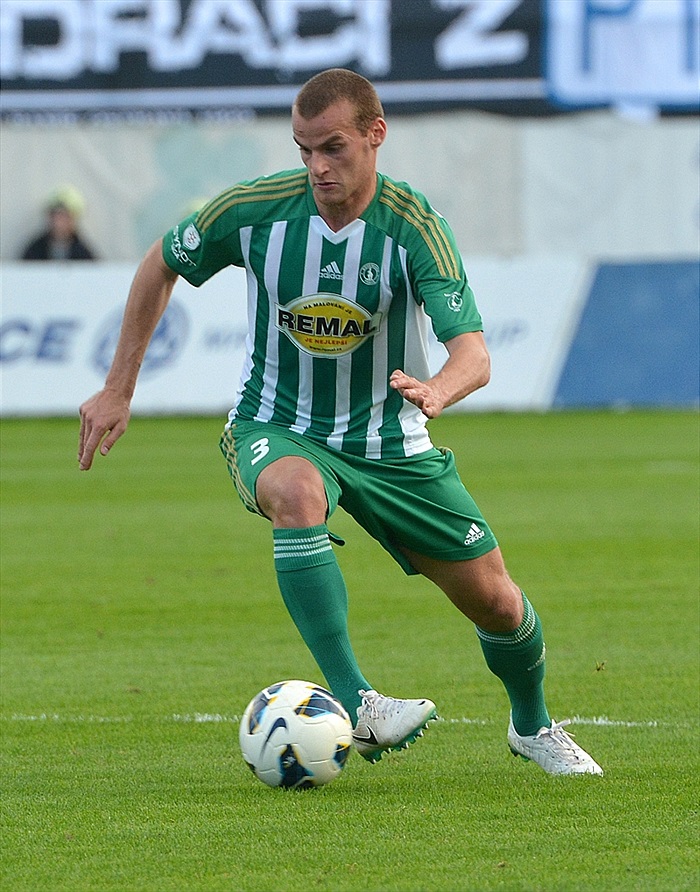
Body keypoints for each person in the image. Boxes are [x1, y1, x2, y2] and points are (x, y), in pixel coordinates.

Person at [78, 68, 603, 775]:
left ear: (375, 135)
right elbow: (160, 263)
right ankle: (358, 701)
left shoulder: (414, 227)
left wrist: (438, 390)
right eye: (304, 150)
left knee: (499, 604)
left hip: (391, 443)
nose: (317, 166)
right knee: (297, 494)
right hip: (277, 424)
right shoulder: (255, 210)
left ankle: (532, 726)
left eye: (333, 148)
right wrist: (117, 388)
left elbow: (474, 354)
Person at [22, 185, 96, 261]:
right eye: (56, 215)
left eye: (65, 216)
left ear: (74, 219)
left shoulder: (84, 254)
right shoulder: (33, 251)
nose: (59, 222)